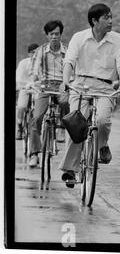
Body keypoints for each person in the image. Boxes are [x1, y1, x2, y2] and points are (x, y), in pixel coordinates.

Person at [58, 3, 120, 188]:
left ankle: (102, 145)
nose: (110, 21)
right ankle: (70, 169)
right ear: (94, 21)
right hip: (80, 87)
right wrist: (66, 80)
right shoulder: (79, 38)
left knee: (102, 121)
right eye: (106, 18)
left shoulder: (118, 39)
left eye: (111, 17)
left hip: (106, 89)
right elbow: (70, 61)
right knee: (77, 126)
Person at [28, 20, 70, 168]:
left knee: (65, 103)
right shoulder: (40, 51)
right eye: (51, 34)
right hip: (45, 86)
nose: (54, 37)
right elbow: (34, 70)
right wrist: (34, 82)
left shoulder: (67, 50)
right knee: (36, 117)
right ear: (47, 35)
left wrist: (69, 83)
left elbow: (73, 70)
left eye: (57, 34)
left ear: (61, 35)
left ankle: (61, 128)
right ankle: (34, 153)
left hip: (61, 85)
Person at [16, 43, 39, 140]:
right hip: (25, 88)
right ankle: (20, 127)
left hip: (36, 89)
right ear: (29, 53)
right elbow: (19, 78)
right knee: (21, 106)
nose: (34, 55)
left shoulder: (41, 64)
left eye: (37, 53)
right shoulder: (23, 63)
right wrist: (27, 85)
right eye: (32, 53)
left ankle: (38, 127)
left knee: (39, 107)